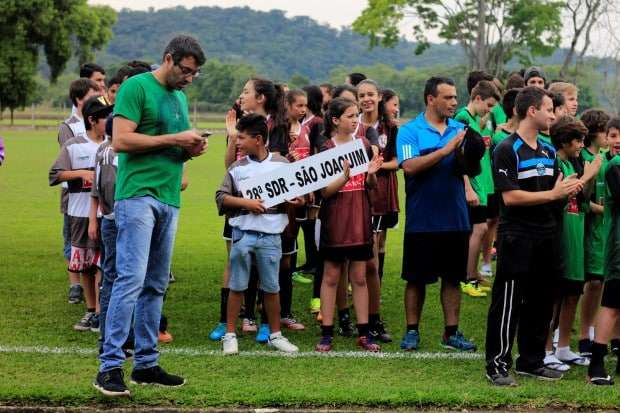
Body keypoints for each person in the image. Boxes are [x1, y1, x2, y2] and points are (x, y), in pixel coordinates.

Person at [94, 35, 207, 397]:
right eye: (185, 70)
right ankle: (109, 367)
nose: (188, 79)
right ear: (168, 58)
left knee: (156, 284)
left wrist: (191, 149)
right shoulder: (136, 87)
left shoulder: (179, 97)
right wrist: (176, 138)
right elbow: (121, 141)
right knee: (130, 279)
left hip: (169, 197)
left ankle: (146, 364)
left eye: (194, 74)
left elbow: (170, 147)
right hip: (137, 196)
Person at [484, 86, 584, 386]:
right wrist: (553, 193)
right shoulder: (506, 148)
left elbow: (553, 194)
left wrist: (566, 191)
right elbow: (511, 198)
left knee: (542, 300)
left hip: (546, 234)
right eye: (549, 109)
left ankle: (531, 361)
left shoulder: (549, 150)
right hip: (517, 235)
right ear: (531, 111)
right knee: (508, 301)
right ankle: (497, 365)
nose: (553, 115)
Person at [396, 76, 475, 352]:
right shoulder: (409, 131)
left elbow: (468, 166)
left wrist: (470, 169)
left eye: (455, 97)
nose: (454, 102)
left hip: (456, 217)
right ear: (431, 99)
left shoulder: (461, 129)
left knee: (453, 278)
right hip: (422, 219)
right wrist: (445, 150)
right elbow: (410, 167)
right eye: (448, 97)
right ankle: (411, 331)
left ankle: (451, 333)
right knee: (416, 279)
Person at [216, 113, 300, 355]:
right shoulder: (237, 168)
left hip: (272, 237)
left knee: (272, 288)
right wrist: (247, 203)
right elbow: (221, 197)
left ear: (259, 139)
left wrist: (297, 200)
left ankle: (276, 334)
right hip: (243, 235)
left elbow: (300, 196)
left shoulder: (282, 164)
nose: (237, 142)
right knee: (237, 285)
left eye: (241, 137)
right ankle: (230, 335)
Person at [315, 97, 383, 353]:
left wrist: (372, 174)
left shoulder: (363, 144)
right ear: (335, 120)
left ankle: (364, 333)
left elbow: (370, 186)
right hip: (336, 221)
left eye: (357, 116)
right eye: (350, 116)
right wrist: (344, 177)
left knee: (359, 277)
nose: (356, 120)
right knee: (332, 276)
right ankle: (326, 333)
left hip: (360, 220)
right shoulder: (326, 149)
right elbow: (325, 193)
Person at [543, 116, 601, 372]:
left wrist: (587, 177)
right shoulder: (554, 162)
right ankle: (545, 350)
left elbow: (584, 198)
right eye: (577, 140)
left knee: (572, 293)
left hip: (577, 236)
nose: (581, 145)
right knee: (553, 296)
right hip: (560, 237)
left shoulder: (571, 163)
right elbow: (562, 194)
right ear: (565, 141)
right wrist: (588, 174)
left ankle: (563, 347)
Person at [49, 95, 110, 333]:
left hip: (107, 215)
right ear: (93, 120)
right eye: (106, 117)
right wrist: (81, 174)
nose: (110, 120)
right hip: (79, 213)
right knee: (86, 265)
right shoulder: (73, 145)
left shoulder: (112, 145)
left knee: (105, 264)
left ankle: (102, 312)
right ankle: (91, 310)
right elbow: (55, 175)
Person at [357, 79, 397, 342]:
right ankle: (351, 316)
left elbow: (398, 162)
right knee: (353, 258)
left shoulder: (390, 127)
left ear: (380, 96)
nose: (366, 99)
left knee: (372, 259)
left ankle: (374, 318)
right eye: (361, 95)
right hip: (353, 196)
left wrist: (375, 166)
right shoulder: (352, 123)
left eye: (371, 94)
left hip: (380, 197)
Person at [454, 80, 500, 297]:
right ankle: (466, 278)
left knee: (480, 229)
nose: (490, 111)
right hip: (472, 183)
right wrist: (467, 187)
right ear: (478, 98)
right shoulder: (462, 117)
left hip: (481, 182)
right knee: (479, 229)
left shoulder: (474, 119)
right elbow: (458, 155)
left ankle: (472, 274)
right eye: (489, 105)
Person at [59, 79, 99, 305]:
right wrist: (83, 174)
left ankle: (96, 306)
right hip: (75, 198)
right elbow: (63, 167)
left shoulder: (105, 132)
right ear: (79, 99)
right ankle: (76, 286)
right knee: (75, 244)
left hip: (100, 204)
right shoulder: (70, 128)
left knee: (98, 256)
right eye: (93, 94)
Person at [587, 117, 620, 385]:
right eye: (613, 135)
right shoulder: (614, 167)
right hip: (618, 247)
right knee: (611, 305)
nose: (618, 139)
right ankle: (596, 365)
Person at [579, 109, 611, 357]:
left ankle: (590, 331)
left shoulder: (606, 159)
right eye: (605, 132)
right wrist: (602, 209)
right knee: (591, 283)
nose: (609, 137)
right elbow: (580, 198)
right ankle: (582, 334)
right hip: (588, 232)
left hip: (605, 233)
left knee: (600, 283)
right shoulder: (584, 157)